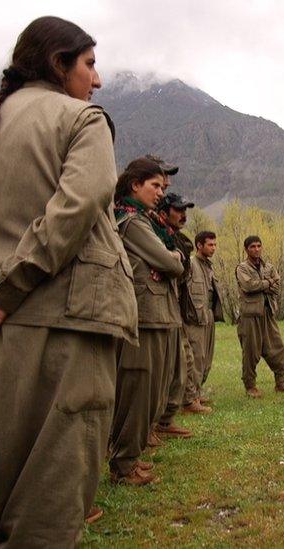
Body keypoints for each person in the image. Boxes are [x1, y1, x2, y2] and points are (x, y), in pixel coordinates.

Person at [0, 16, 136, 545]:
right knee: (48, 510)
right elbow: (78, 206)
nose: (98, 79)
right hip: (60, 336)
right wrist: (8, 289)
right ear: (59, 64)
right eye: (89, 63)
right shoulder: (83, 121)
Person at [108, 157, 184, 486]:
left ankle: (131, 459)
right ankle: (123, 464)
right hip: (144, 316)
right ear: (135, 184)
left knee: (152, 391)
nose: (160, 193)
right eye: (155, 186)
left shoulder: (144, 219)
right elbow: (170, 262)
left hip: (158, 314)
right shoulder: (131, 221)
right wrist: (176, 258)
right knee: (138, 391)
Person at [154, 192, 210, 433]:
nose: (184, 214)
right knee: (165, 366)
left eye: (185, 210)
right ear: (164, 212)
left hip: (175, 308)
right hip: (157, 308)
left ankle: (167, 418)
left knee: (183, 361)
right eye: (179, 210)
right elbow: (173, 267)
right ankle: (155, 424)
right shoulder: (152, 231)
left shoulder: (174, 238)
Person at [235, 236, 284, 397]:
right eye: (252, 247)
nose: (256, 249)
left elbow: (277, 286)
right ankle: (250, 386)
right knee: (251, 351)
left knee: (278, 348)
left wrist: (264, 284)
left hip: (268, 313)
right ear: (246, 249)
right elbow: (249, 286)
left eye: (258, 246)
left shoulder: (268, 267)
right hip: (250, 316)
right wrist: (267, 283)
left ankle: (281, 383)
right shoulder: (242, 268)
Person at [183, 230, 223, 410]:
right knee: (195, 358)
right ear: (199, 245)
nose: (213, 248)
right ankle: (189, 400)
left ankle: (196, 394)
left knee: (206, 358)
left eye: (215, 244)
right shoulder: (190, 264)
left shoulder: (208, 266)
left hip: (208, 317)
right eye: (210, 244)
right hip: (193, 319)